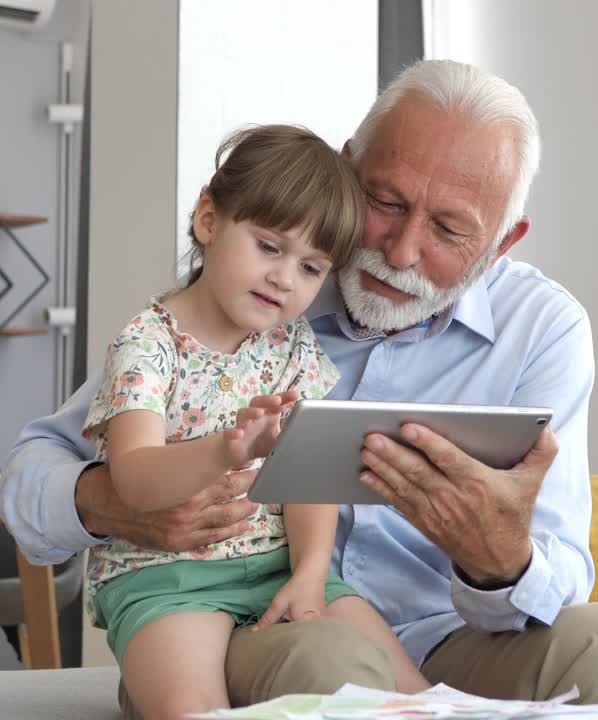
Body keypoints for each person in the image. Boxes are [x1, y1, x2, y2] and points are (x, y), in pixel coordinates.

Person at [2, 60, 598, 720]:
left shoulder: (542, 330)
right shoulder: (246, 299)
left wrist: (497, 554)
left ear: (502, 242)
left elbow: (558, 579)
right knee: (333, 663)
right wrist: (114, 500)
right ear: (349, 168)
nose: (401, 251)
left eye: (448, 229)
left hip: (447, 633)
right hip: (248, 625)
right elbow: (32, 473)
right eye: (386, 203)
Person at [74, 124, 429, 720]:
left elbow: (308, 480)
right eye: (270, 247)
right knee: (192, 710)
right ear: (209, 221)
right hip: (165, 578)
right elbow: (133, 480)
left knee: (415, 696)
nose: (285, 279)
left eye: (312, 268)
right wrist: (223, 450)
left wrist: (312, 575)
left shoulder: (293, 350)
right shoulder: (149, 343)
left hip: (275, 567)